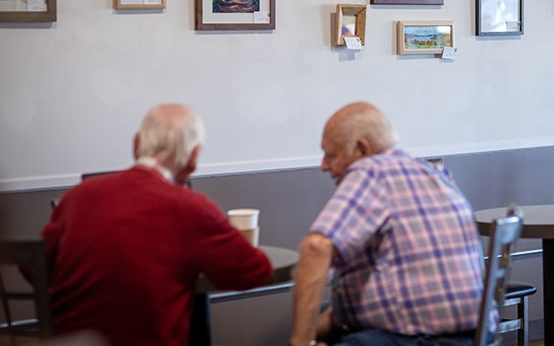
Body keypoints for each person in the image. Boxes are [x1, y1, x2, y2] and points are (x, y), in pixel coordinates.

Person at [39, 104, 275, 346]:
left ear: (136, 144)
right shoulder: (190, 207)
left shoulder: (77, 196)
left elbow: (35, 268)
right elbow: (256, 271)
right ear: (193, 158)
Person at [289, 102, 489, 346]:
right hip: (472, 335)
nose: (324, 166)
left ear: (361, 149)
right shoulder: (434, 173)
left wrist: (299, 342)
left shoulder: (371, 170)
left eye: (331, 154)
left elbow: (316, 248)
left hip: (420, 339)